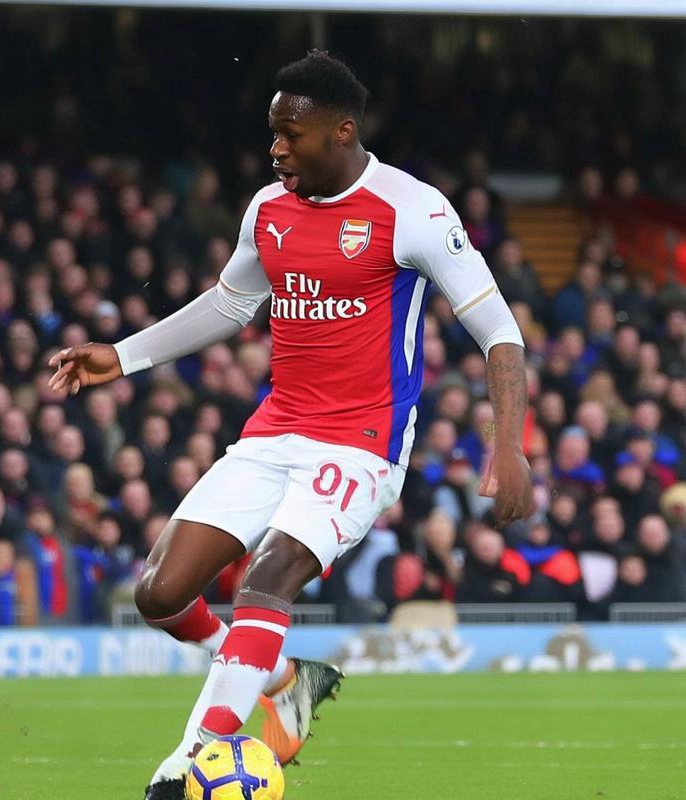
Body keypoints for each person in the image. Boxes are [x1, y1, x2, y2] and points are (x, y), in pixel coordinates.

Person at [48, 51, 534, 800]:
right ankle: (281, 677)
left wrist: (509, 445)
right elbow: (230, 303)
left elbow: (499, 331)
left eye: (290, 134)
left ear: (342, 132)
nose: (276, 148)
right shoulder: (268, 209)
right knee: (158, 593)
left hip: (363, 442)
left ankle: (194, 759)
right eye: (273, 132)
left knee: (268, 577)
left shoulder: (414, 210)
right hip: (275, 431)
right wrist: (124, 356)